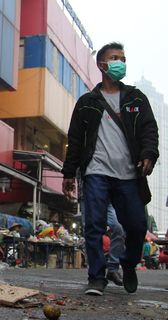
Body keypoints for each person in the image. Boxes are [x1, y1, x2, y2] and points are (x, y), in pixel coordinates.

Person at [62, 42, 159, 295]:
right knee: (93, 224)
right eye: (115, 58)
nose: (120, 63)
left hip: (129, 175)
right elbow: (75, 139)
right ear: (101, 65)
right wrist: (69, 173)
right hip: (96, 172)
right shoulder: (87, 102)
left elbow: (150, 129)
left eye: (123, 58)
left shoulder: (136, 98)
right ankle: (96, 277)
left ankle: (127, 263)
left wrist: (149, 154)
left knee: (137, 226)